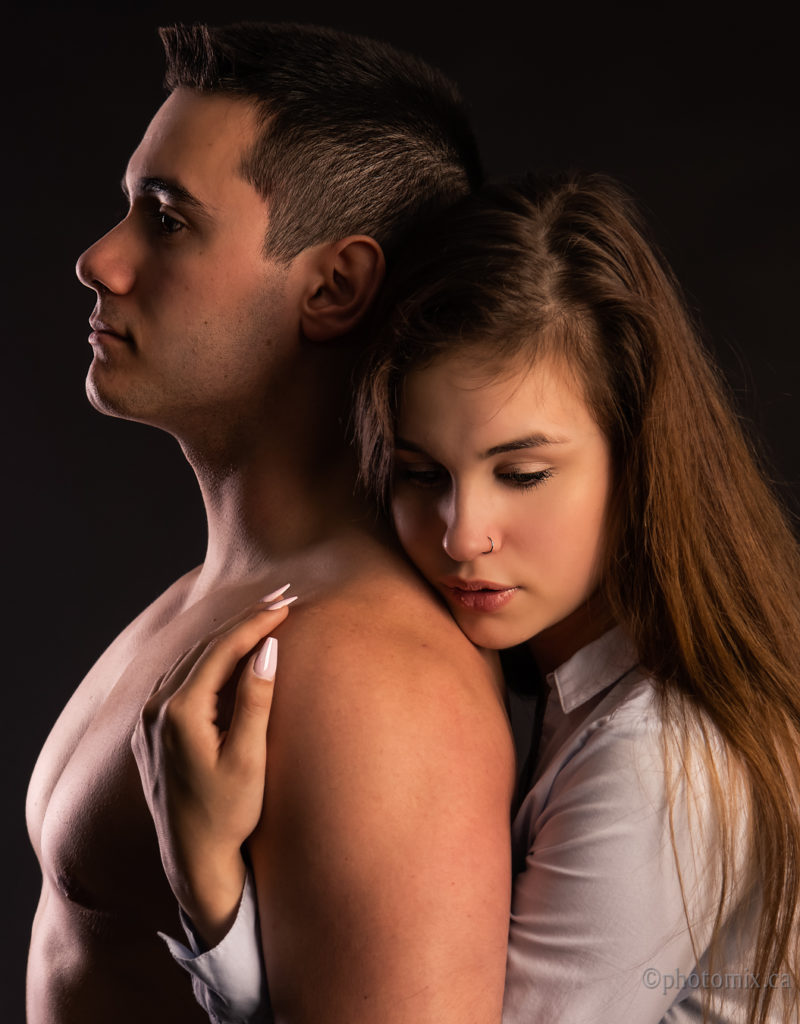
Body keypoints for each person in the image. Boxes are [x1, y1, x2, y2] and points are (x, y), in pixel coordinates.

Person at [162, 172, 800, 1022]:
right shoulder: (595, 697)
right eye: (420, 473)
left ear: (640, 459)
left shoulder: (654, 757)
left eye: (523, 474)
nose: (461, 533)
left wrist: (211, 890)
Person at [25, 22, 518, 1024]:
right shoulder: (228, 597)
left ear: (334, 286)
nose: (97, 259)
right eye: (128, 207)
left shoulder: (373, 673)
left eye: (165, 222)